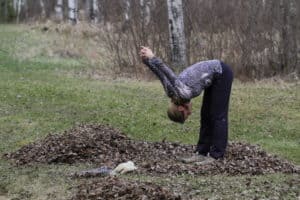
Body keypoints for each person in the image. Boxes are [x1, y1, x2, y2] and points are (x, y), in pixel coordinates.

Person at [139, 46, 233, 163]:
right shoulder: (171, 93)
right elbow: (160, 75)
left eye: (187, 114)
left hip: (222, 72)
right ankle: (201, 153)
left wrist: (152, 57)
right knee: (206, 116)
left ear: (181, 109)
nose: (190, 113)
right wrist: (147, 62)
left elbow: (167, 72)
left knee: (218, 116)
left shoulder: (182, 93)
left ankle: (216, 155)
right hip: (213, 77)